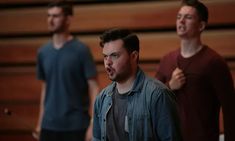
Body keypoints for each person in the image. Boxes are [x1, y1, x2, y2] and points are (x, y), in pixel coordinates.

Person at [155, 0, 235, 141]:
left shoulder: (214, 62)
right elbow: (152, 101)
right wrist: (170, 87)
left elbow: (230, 109)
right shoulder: (167, 60)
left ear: (201, 25)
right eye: (179, 17)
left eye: (188, 17)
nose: (181, 21)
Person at [92, 28, 182, 141]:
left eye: (114, 55)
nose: (108, 62)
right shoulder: (102, 98)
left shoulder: (158, 95)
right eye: (105, 56)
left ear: (133, 56)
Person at [33, 1, 99, 141]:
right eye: (49, 15)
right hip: (48, 127)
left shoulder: (81, 50)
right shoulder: (43, 52)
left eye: (56, 16)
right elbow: (45, 89)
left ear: (68, 19)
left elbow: (94, 88)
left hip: (76, 126)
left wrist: (93, 124)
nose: (50, 20)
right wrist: (40, 123)